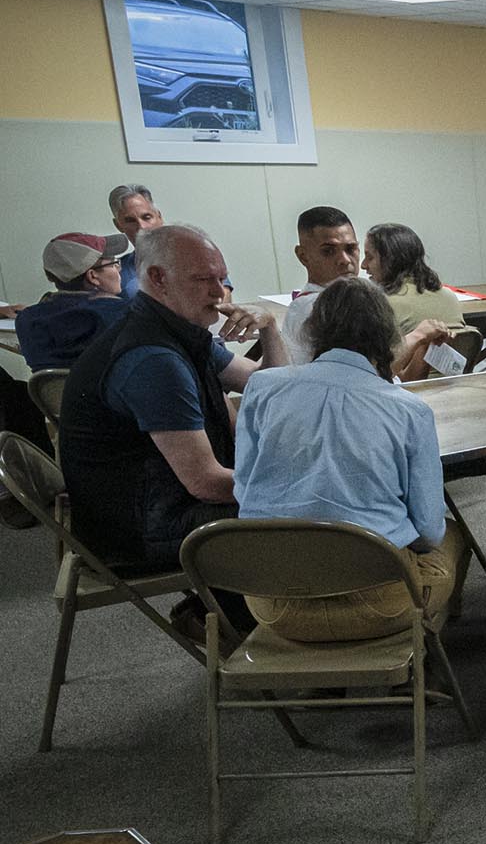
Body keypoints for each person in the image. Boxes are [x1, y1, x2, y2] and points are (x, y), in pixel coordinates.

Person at [232, 278, 467, 641]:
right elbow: (427, 532)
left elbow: (244, 492)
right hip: (379, 603)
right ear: (389, 338)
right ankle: (423, 661)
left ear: (311, 332)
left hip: (274, 603)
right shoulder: (409, 411)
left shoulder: (262, 389)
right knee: (451, 535)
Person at [57, 225, 288, 569]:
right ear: (158, 278)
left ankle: (219, 616)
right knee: (308, 517)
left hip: (154, 506)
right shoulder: (154, 358)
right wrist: (295, 485)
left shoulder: (171, 329)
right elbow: (206, 483)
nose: (220, 293)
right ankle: (242, 620)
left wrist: (269, 328)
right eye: (203, 280)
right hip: (138, 532)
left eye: (222, 279)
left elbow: (266, 384)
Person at [17, 232, 131, 370]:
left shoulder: (25, 319)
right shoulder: (120, 315)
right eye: (114, 264)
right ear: (93, 276)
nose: (120, 269)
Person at [280, 206, 361, 361]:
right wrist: (418, 335)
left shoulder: (351, 299)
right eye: (328, 251)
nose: (345, 260)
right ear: (303, 256)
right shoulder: (313, 308)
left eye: (351, 248)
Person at [363, 223, 466, 336]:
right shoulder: (450, 297)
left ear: (390, 260)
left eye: (370, 257)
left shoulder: (382, 305)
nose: (363, 265)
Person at [108, 182, 166, 298]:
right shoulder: (115, 275)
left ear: (159, 217)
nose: (141, 227)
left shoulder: (195, 262)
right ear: (118, 225)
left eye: (147, 217)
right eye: (130, 221)